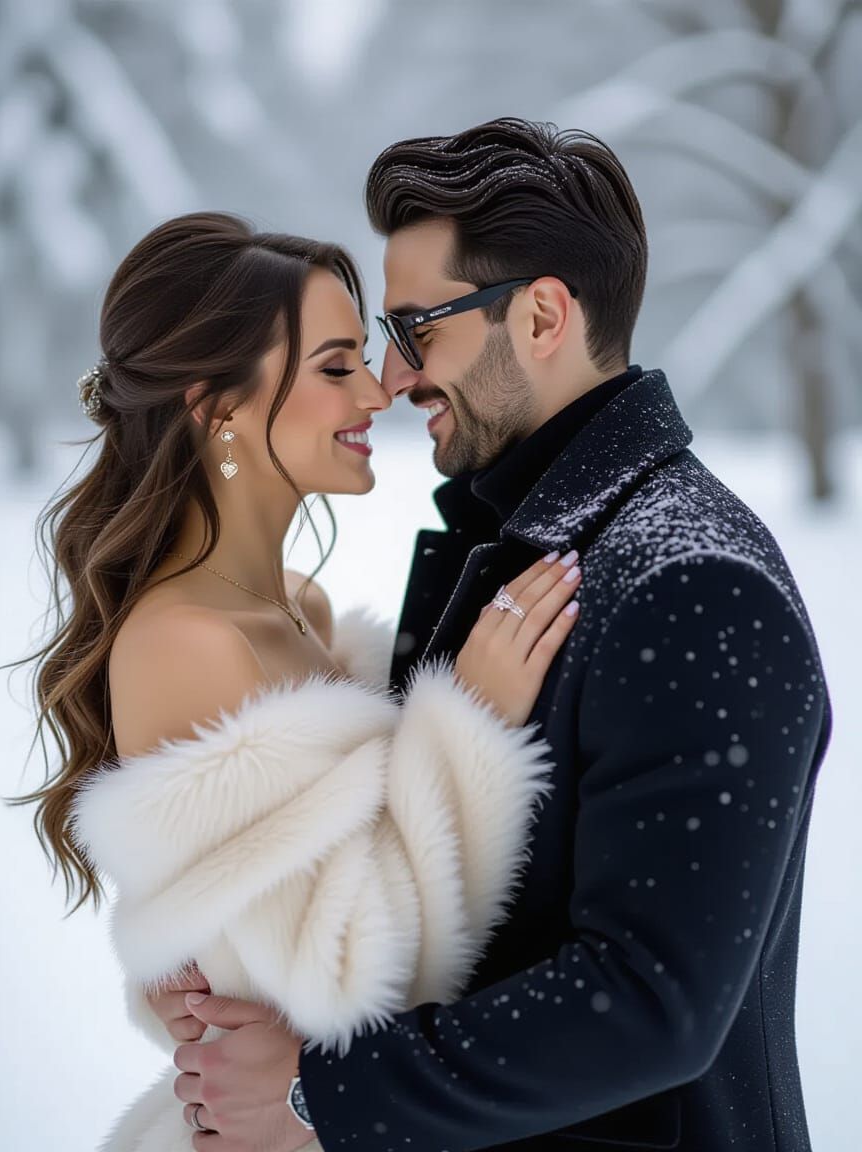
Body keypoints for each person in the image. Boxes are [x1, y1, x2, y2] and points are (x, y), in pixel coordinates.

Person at [143, 120, 833, 1152]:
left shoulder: (691, 582)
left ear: (542, 316)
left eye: (417, 329)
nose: (392, 373)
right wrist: (231, 963)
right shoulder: (520, 543)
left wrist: (317, 1092)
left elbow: (649, 1002)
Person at [19, 211, 586, 1150]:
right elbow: (352, 977)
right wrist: (468, 729)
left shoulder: (299, 607)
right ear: (216, 405)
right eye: (334, 368)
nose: (378, 390)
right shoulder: (190, 644)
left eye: (364, 357)